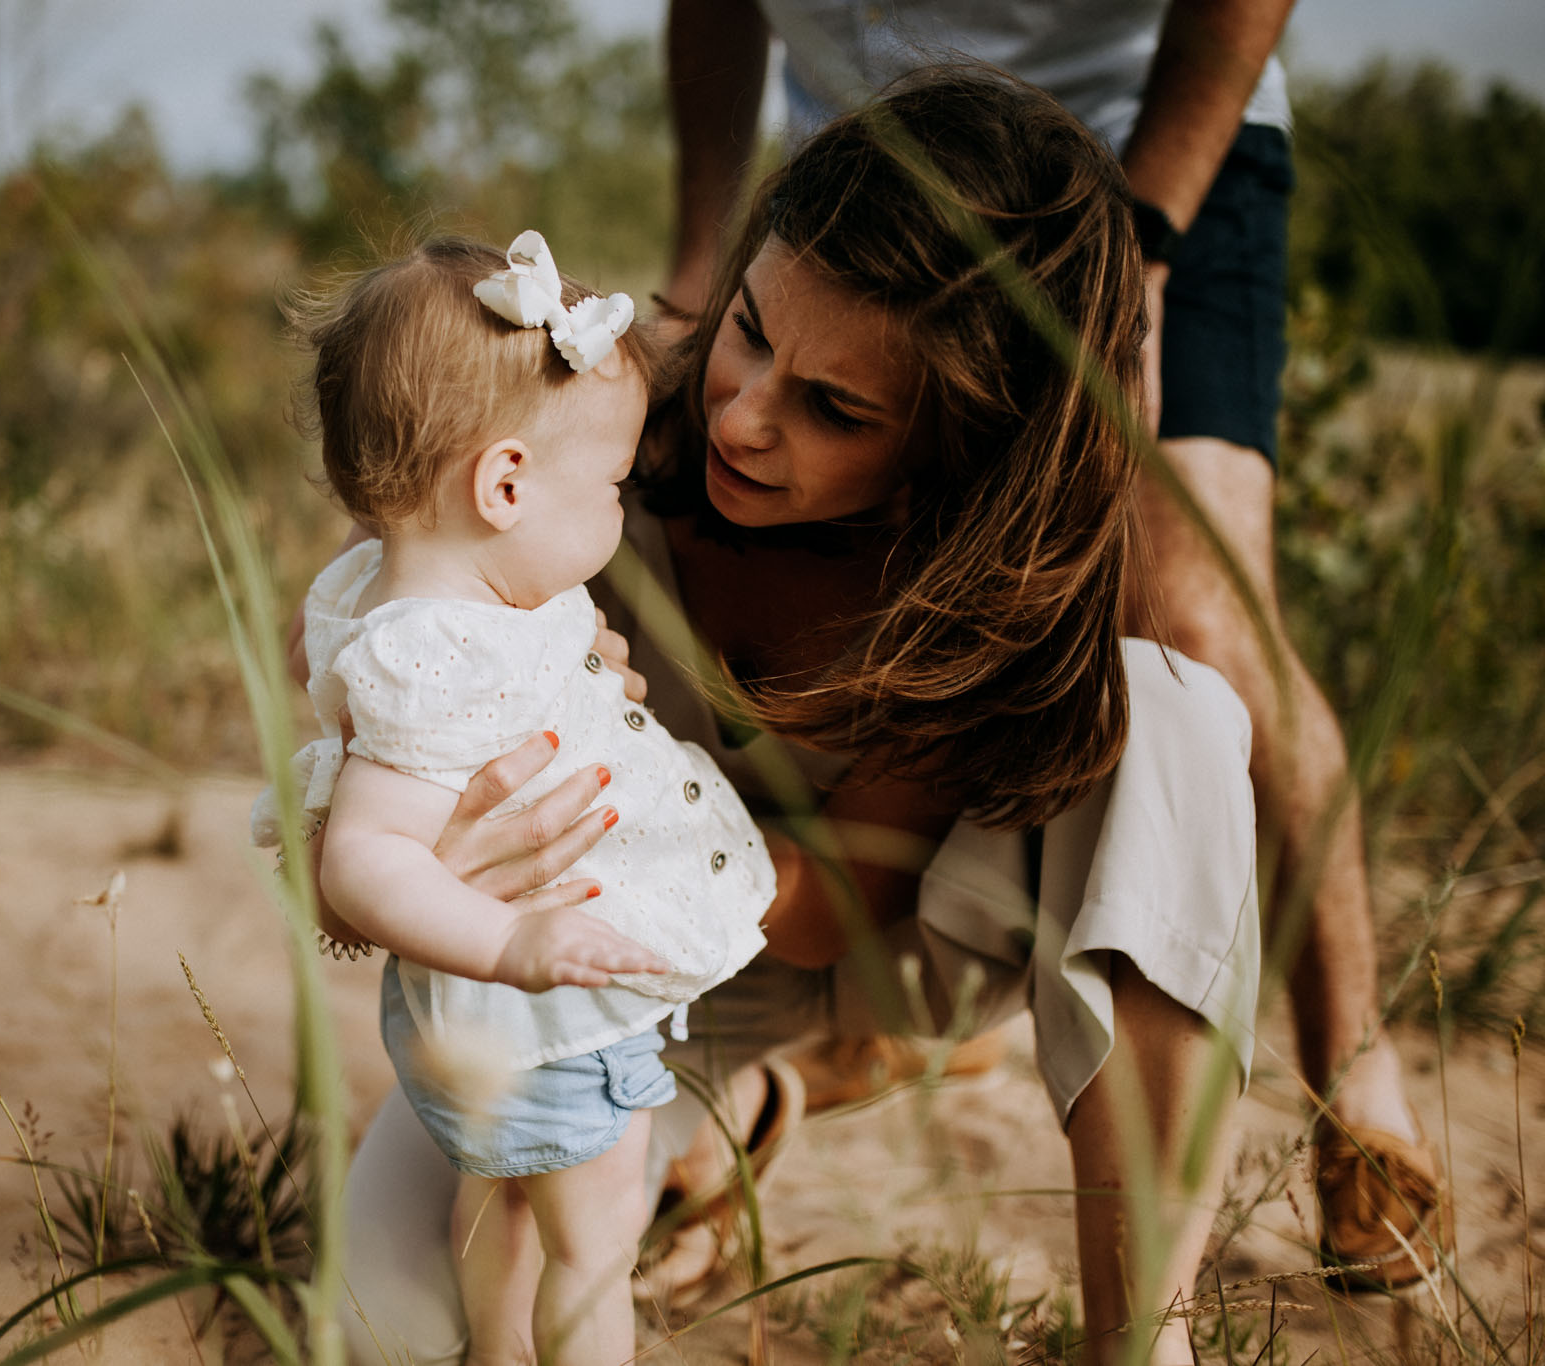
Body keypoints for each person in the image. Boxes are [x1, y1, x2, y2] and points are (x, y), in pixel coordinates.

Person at [310, 68, 1266, 1365]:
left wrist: (617, 793)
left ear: (956, 446)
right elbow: (371, 726)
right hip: (612, 960)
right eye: (752, 331)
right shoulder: (593, 463)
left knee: (1174, 716)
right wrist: (449, 823)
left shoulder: (983, 583)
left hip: (873, 928)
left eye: (834, 409)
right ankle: (732, 1111)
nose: (745, 416)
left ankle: (1140, 1339)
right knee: (395, 1330)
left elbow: (833, 915)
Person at [660, 0, 1449, 1289]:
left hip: (1151, 146)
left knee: (1189, 629)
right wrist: (700, 259)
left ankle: (1354, 1067)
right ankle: (792, 1044)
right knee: (816, 543)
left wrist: (1136, 249)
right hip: (884, 154)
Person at [255, 230, 776, 1365]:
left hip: (507, 1015)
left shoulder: (441, 601)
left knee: (494, 1213)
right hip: (541, 1018)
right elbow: (364, 859)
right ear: (502, 484)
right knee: (595, 1240)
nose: (615, 511)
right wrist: (513, 942)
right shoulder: (436, 656)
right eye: (607, 485)